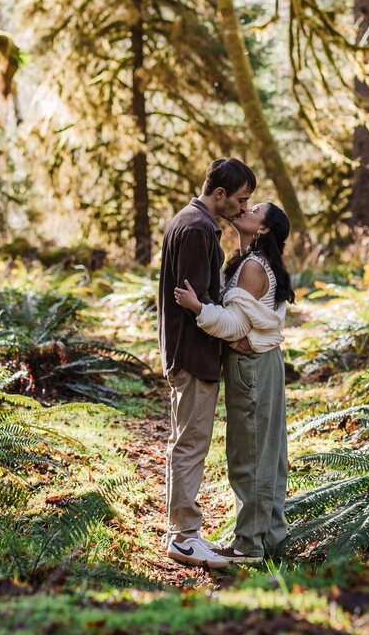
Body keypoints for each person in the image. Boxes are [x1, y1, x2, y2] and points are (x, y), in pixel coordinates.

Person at [174, 201, 294, 564]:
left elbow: (235, 327)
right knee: (268, 452)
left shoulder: (254, 267)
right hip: (263, 363)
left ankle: (248, 546)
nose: (244, 208)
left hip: (252, 366)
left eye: (254, 209)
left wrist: (198, 308)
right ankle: (271, 537)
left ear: (264, 229)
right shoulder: (248, 262)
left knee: (251, 454)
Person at [158, 157, 255, 569]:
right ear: (219, 194)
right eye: (240, 199)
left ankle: (183, 530)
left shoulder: (189, 220)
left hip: (184, 352)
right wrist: (238, 331)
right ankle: (184, 537)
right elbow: (200, 301)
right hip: (193, 355)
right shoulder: (198, 230)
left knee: (186, 440)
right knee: (191, 443)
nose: (243, 208)